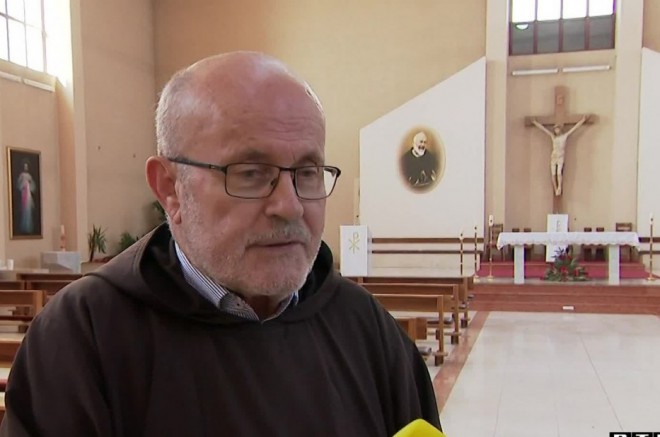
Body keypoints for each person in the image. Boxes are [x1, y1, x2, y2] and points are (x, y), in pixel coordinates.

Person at [1, 52, 441, 436]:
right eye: (250, 173)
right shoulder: (83, 339)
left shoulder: (368, 331)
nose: (290, 206)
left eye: (307, 173)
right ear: (170, 188)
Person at [531, 114, 589, 196]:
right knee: (553, 174)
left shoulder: (564, 137)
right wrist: (535, 123)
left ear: (560, 129)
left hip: (560, 156)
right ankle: (555, 189)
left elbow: (574, 128)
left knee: (559, 173)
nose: (556, 131)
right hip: (554, 156)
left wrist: (582, 120)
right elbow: (544, 130)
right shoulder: (553, 137)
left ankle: (559, 187)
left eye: (557, 129)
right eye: (555, 129)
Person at [16, 161, 36, 234]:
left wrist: (29, 184)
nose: (25, 168)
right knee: (24, 210)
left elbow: (33, 186)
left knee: (28, 210)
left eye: (26, 166)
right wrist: (23, 185)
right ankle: (24, 226)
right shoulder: (21, 175)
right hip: (24, 194)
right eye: (24, 166)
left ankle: (29, 226)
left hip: (28, 195)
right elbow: (18, 185)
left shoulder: (29, 176)